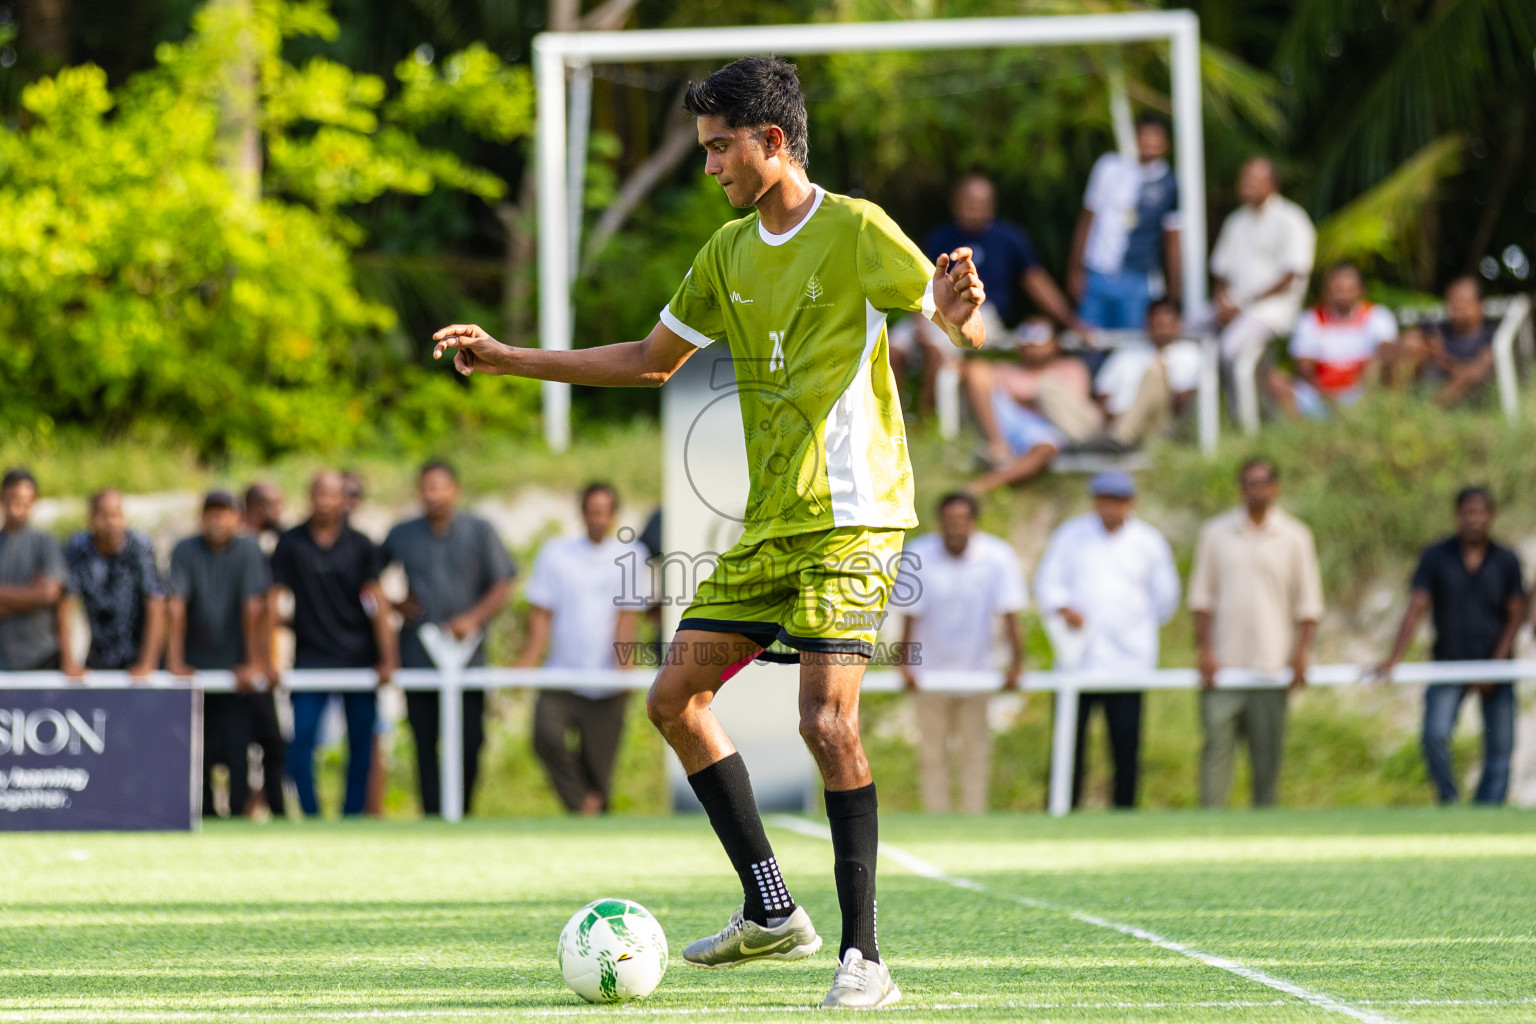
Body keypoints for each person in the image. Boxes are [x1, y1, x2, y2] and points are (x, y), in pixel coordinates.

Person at [432, 56, 987, 1008]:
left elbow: (948, 318)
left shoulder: (856, 228)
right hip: (771, 526)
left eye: (720, 147)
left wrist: (959, 315)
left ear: (773, 141)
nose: (710, 166)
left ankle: (865, 959)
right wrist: (508, 358)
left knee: (825, 721)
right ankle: (772, 908)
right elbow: (652, 361)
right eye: (704, 149)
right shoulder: (727, 252)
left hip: (854, 521)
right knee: (672, 698)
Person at [1033, 472, 1179, 809]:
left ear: (1131, 503)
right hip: (1077, 659)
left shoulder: (1148, 542)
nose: (1109, 507)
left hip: (1127, 661)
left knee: (1126, 744)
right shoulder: (1071, 536)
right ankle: (1062, 810)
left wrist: (1130, 624)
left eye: (1117, 500)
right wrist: (1065, 608)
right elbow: (1047, 583)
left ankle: (1124, 813)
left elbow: (1165, 599)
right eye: (1104, 500)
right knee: (1068, 743)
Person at [1373, 488, 1524, 805]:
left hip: (1496, 665)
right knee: (1435, 734)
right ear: (1457, 515)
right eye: (1467, 512)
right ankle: (1449, 798)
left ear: (1491, 515)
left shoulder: (1506, 560)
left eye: (1480, 512)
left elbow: (1516, 614)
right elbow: (1417, 606)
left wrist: (1497, 664)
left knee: (1501, 745)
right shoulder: (1436, 556)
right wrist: (1395, 656)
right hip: (1448, 662)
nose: (1473, 519)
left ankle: (1489, 809)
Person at [1188, 458, 1323, 809]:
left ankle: (1263, 831)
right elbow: (1202, 598)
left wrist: (1301, 652)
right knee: (1215, 753)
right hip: (1223, 666)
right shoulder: (1215, 533)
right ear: (1240, 488)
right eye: (1249, 482)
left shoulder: (1295, 536)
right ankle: (1209, 829)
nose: (1256, 490)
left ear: (1275, 487)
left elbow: (1308, 603)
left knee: (1267, 761)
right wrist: (1204, 649)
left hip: (1271, 666)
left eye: (1263, 482)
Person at [383, 461, 515, 817]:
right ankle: (431, 815)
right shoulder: (402, 533)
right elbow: (368, 581)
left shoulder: (480, 530)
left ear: (455, 490)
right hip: (418, 656)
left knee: (471, 739)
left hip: (469, 658)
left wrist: (472, 618)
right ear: (418, 491)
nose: (433, 495)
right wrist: (394, 604)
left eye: (440, 487)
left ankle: (462, 812)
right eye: (426, 487)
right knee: (424, 742)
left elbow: (503, 582)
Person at [891, 175, 1082, 412]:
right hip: (934, 309)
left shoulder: (1009, 239)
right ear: (955, 203)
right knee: (893, 348)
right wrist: (919, 320)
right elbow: (921, 284)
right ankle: (892, 417)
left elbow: (1037, 282)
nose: (973, 208)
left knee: (937, 349)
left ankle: (926, 420)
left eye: (980, 202)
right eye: (967, 201)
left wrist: (1070, 321)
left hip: (982, 314)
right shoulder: (940, 238)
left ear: (992, 206)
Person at [270, 471, 398, 817]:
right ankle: (311, 814)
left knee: (362, 744)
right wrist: (267, 658)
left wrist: (388, 659)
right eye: (319, 493)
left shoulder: (361, 544)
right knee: (301, 740)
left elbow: (377, 601)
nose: (325, 501)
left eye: (332, 494)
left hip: (358, 657)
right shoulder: (291, 543)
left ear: (344, 500)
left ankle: (351, 816)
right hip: (310, 657)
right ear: (309, 496)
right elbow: (272, 601)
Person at [898, 493, 1026, 814]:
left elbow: (1010, 613)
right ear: (939, 522)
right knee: (932, 754)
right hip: (929, 673)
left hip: (978, 672)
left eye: (961, 521)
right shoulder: (918, 554)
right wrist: (905, 664)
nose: (955, 528)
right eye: (949, 521)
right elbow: (910, 616)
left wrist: (1016, 664)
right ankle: (936, 819)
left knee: (975, 754)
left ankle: (974, 820)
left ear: (973, 522)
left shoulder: (997, 556)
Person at [521, 483, 645, 816]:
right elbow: (541, 613)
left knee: (600, 770)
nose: (598, 519)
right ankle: (582, 803)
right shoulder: (555, 554)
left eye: (604, 512)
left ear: (614, 515)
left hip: (607, 681)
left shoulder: (632, 556)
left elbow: (627, 617)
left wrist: (623, 670)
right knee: (545, 736)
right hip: (561, 674)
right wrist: (527, 662)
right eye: (592, 512)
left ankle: (593, 818)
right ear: (582, 513)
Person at [165, 491, 274, 818]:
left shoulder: (249, 549)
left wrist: (253, 662)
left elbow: (255, 606)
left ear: (237, 519)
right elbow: (175, 605)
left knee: (239, 745)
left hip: (235, 671)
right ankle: (202, 813)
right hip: (195, 667)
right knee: (197, 747)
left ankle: (240, 811)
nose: (217, 519)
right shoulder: (185, 550)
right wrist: (175, 661)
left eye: (224, 512)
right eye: (211, 512)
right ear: (201, 518)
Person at [1068, 114, 1182, 331]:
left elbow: (1173, 239)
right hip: (1097, 273)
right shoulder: (1109, 167)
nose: (1149, 142)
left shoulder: (1168, 183)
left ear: (1166, 144)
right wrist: (1075, 270)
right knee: (1089, 340)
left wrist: (1174, 295)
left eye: (1156, 137)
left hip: (1137, 279)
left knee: (1130, 343)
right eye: (1145, 135)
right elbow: (1087, 219)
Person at [964, 318, 1102, 494]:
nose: (1032, 344)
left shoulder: (1072, 368)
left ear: (1055, 342)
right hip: (1006, 426)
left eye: (1039, 336)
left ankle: (978, 488)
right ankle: (998, 448)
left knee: (1043, 451)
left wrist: (1025, 393)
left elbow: (1072, 407)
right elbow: (969, 375)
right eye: (1026, 336)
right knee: (976, 369)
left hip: (1046, 428)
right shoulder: (1004, 369)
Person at [1209, 157, 1317, 367]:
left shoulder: (1292, 219)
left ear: (1273, 184)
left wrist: (1243, 304)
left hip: (1271, 310)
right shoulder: (1236, 221)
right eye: (1244, 178)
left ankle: (1237, 392)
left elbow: (1291, 276)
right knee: (1187, 331)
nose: (1246, 184)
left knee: (1229, 349)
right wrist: (1221, 302)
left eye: (1253, 179)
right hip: (1232, 306)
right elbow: (1221, 271)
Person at [1267, 263, 1398, 420]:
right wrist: (1328, 396)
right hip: (1319, 395)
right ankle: (1304, 431)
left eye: (1349, 289)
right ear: (1326, 291)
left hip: (1363, 393)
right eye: (1338, 289)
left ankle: (1382, 417)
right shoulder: (1310, 319)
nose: (1343, 295)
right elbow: (1304, 368)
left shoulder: (1378, 315)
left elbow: (1387, 353)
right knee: (1274, 378)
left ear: (1361, 290)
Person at [64, 489, 165, 677]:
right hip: (98, 658)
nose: (111, 522)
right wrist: (69, 662)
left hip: (138, 657)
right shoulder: (78, 548)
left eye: (116, 515)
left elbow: (155, 603)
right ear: (91, 518)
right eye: (104, 515)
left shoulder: (139, 545)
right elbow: (66, 603)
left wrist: (147, 664)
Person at [1093, 298, 1203, 448]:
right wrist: (1111, 417)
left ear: (1178, 324)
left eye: (1166, 325)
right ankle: (1112, 437)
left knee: (1155, 371)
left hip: (1159, 424)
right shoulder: (1128, 352)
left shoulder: (1190, 354)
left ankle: (1120, 438)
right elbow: (1102, 392)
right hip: (1115, 420)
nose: (1162, 331)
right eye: (1157, 325)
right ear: (1147, 324)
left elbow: (1185, 401)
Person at [242, 480, 288, 817]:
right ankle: (273, 810)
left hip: (258, 663)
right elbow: (257, 611)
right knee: (268, 741)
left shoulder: (265, 545)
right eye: (275, 505)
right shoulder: (246, 548)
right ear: (257, 509)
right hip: (246, 664)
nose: (280, 512)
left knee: (268, 742)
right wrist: (262, 661)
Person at [0, 468, 74, 675]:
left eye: (26, 500)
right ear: (3, 497)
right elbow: (42, 596)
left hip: (41, 658)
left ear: (34, 501)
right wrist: (32, 597)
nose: (19, 506)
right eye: (13, 498)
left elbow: (50, 594)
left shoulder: (46, 543)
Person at [1396, 276, 1497, 408]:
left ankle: (1428, 413)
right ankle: (1395, 405)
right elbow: (1410, 345)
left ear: (1479, 304)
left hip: (1468, 398)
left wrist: (1443, 360)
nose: (1458, 307)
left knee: (1468, 375)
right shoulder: (1438, 330)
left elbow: (1478, 371)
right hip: (1429, 383)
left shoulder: (1493, 336)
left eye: (1463, 301)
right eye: (1452, 302)